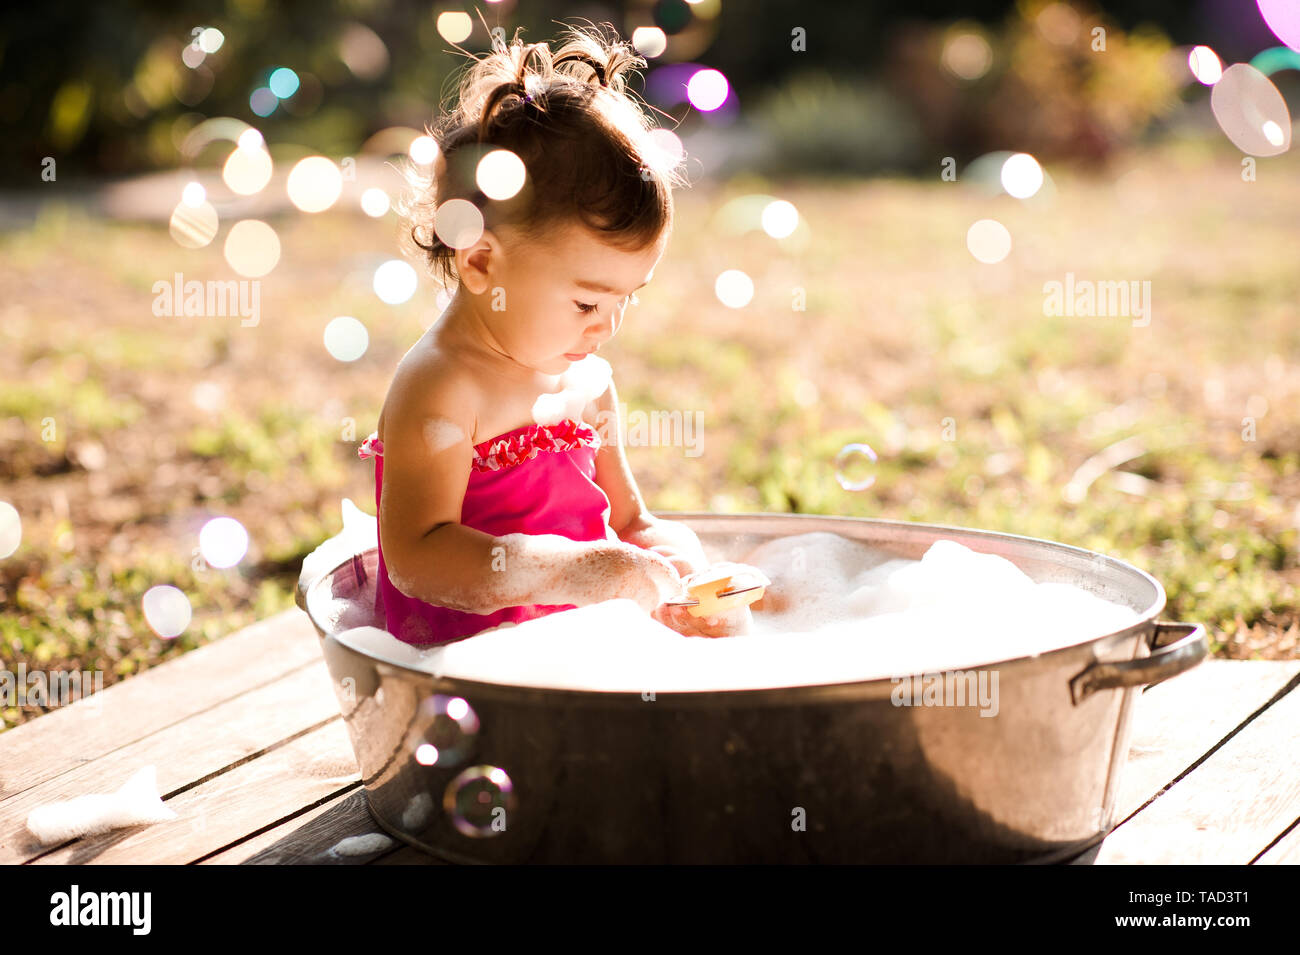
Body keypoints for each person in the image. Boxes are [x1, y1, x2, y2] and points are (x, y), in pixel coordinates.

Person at [359, 23, 745, 645]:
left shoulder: (588, 382)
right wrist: (574, 571)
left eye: (627, 299)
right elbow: (416, 559)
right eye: (589, 299)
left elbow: (627, 521)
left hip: (578, 655)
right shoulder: (442, 386)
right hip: (474, 663)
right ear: (482, 262)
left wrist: (675, 563)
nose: (609, 324)